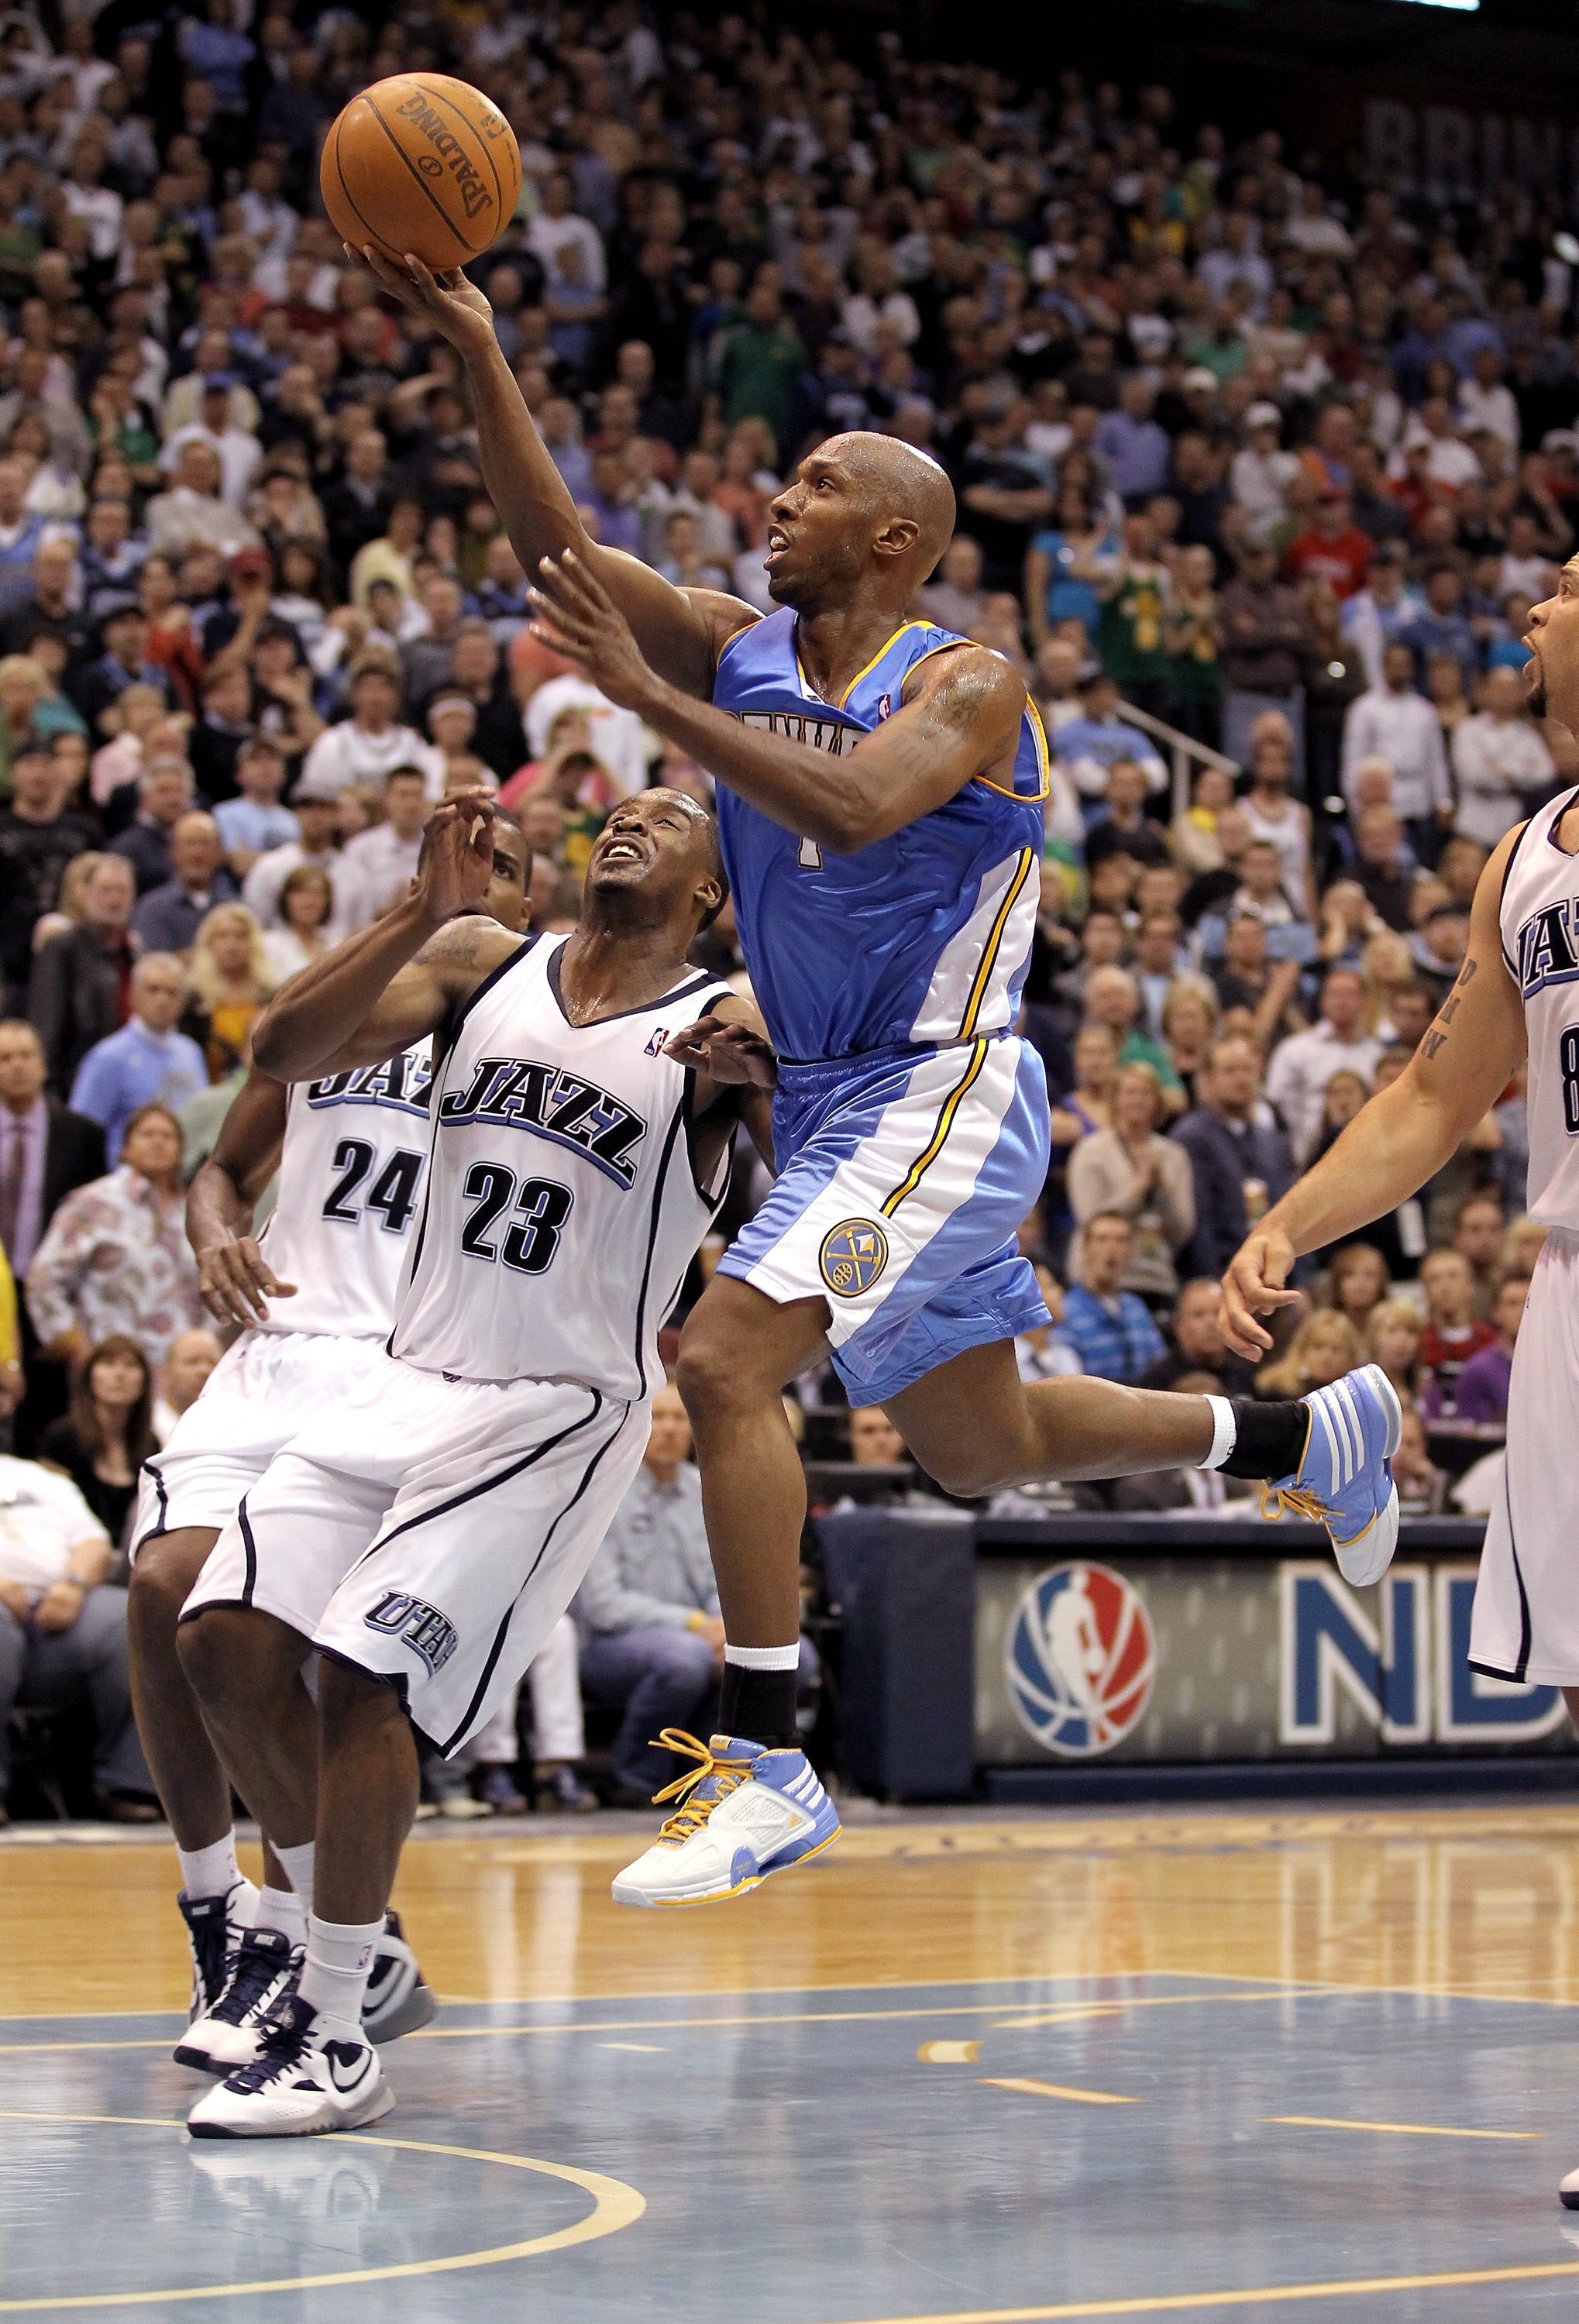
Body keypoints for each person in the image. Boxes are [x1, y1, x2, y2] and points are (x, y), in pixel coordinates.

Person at [367, 253, 1397, 1923]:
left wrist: (649, 700)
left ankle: (766, 1757)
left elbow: (855, 813)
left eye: (815, 485)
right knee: (980, 1448)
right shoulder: (738, 647)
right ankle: (1305, 1431)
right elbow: (556, 551)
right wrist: (479, 349)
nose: (778, 503)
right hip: (837, 1096)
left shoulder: (966, 681)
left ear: (895, 537)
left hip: (942, 1088)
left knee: (724, 1359)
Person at [169, 787, 779, 2137]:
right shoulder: (475, 961)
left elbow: (790, 1200)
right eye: (618, 809)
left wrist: (771, 1087)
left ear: (709, 893)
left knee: (362, 1674)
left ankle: (331, 2034)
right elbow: (280, 1047)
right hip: (406, 1376)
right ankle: (344, 1944)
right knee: (221, 1640)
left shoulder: (729, 1015)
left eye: (667, 818)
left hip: (552, 1405)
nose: (628, 821)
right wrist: (411, 910)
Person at [1220, 551, 1579, 2210]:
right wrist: (1285, 1221)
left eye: (1560, 586)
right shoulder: (1523, 855)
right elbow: (1437, 1095)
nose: (1528, 614)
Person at [126, 816, 531, 2075]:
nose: (476, 881)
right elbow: (222, 1167)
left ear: (531, 906)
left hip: (399, 1373)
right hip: (277, 1348)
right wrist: (213, 1235)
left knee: (268, 1648)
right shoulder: (343, 1000)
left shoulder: (539, 1028)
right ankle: (224, 1917)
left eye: (503, 868)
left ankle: (315, 1942)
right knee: (158, 1588)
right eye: (456, 861)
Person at [574, 1381, 731, 1803]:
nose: (669, 1429)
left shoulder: (706, 1488)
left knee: (784, 1656)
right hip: (609, 1645)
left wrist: (727, 1628)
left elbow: (722, 1578)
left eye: (680, 1418)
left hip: (702, 1637)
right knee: (685, 1659)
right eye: (658, 1417)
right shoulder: (603, 1491)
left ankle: (711, 1776)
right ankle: (638, 1778)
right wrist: (695, 1624)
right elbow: (605, 1607)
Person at [0, 1443, 153, 1825]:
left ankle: (125, 1785)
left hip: (58, 1613)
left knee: (125, 1615)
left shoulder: (36, 1477)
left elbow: (92, 1541)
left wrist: (73, 1584)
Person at [26, 1102, 205, 1374]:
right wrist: (78, 1348)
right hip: (106, 1367)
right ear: (125, 1148)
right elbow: (44, 1281)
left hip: (178, 1373)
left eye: (168, 1136)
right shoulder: (92, 1203)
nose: (158, 1142)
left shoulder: (197, 1212)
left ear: (181, 1150)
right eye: (147, 1134)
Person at [1171, 1032, 1295, 1281]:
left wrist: (1298, 1279)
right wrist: (1210, 1278)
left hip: (1272, 1270)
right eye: (1230, 1071)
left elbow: (1289, 1212)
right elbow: (1199, 1219)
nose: (1241, 1079)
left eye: (1247, 1070)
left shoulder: (1272, 1142)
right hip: (1219, 1270)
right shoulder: (1191, 1137)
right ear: (1208, 1079)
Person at [1066, 1061, 1195, 1300]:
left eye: (1146, 1094)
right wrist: (1137, 1188)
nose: (1138, 1101)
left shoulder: (1173, 1154)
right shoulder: (1091, 1151)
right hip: (1099, 1279)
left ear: (1157, 1102)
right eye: (1130, 1093)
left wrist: (1162, 1188)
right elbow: (1090, 1220)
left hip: (1156, 1277)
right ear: (1115, 1100)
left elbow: (1182, 1228)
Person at [67, 953, 207, 1164]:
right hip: (125, 1176)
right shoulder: (109, 1057)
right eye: (153, 990)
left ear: (183, 1001)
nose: (162, 1000)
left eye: (172, 992)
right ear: (132, 996)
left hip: (183, 1176)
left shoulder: (191, 1052)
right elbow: (81, 1132)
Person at [27, 851, 136, 1093]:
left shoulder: (136, 954)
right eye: (105, 890)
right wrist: (50, 1092)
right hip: (76, 1081)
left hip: (128, 1080)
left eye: (122, 891)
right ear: (85, 895)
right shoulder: (62, 949)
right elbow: (47, 1027)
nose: (114, 900)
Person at [40, 1331, 155, 1542]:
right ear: (90, 1377)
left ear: (144, 1382)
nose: (119, 1374)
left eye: (130, 1366)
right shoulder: (62, 1438)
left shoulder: (151, 1444)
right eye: (108, 1364)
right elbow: (47, 1508)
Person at [1053, 1213, 1168, 1383]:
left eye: (1121, 1240)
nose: (1112, 1249)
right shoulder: (1065, 1311)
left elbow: (1160, 1364)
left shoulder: (1136, 1307)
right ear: (1085, 1248)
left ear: (1130, 1251)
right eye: (1102, 1239)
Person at [1443, 1271, 1528, 1425]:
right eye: (1513, 1303)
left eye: (1529, 1302)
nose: (1522, 1311)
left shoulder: (1558, 1364)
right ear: (1497, 1312)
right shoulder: (1478, 1370)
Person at [260, 863, 335, 987]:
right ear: (286, 900)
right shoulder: (268, 944)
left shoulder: (337, 943)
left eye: (317, 894)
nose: (309, 902)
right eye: (300, 893)